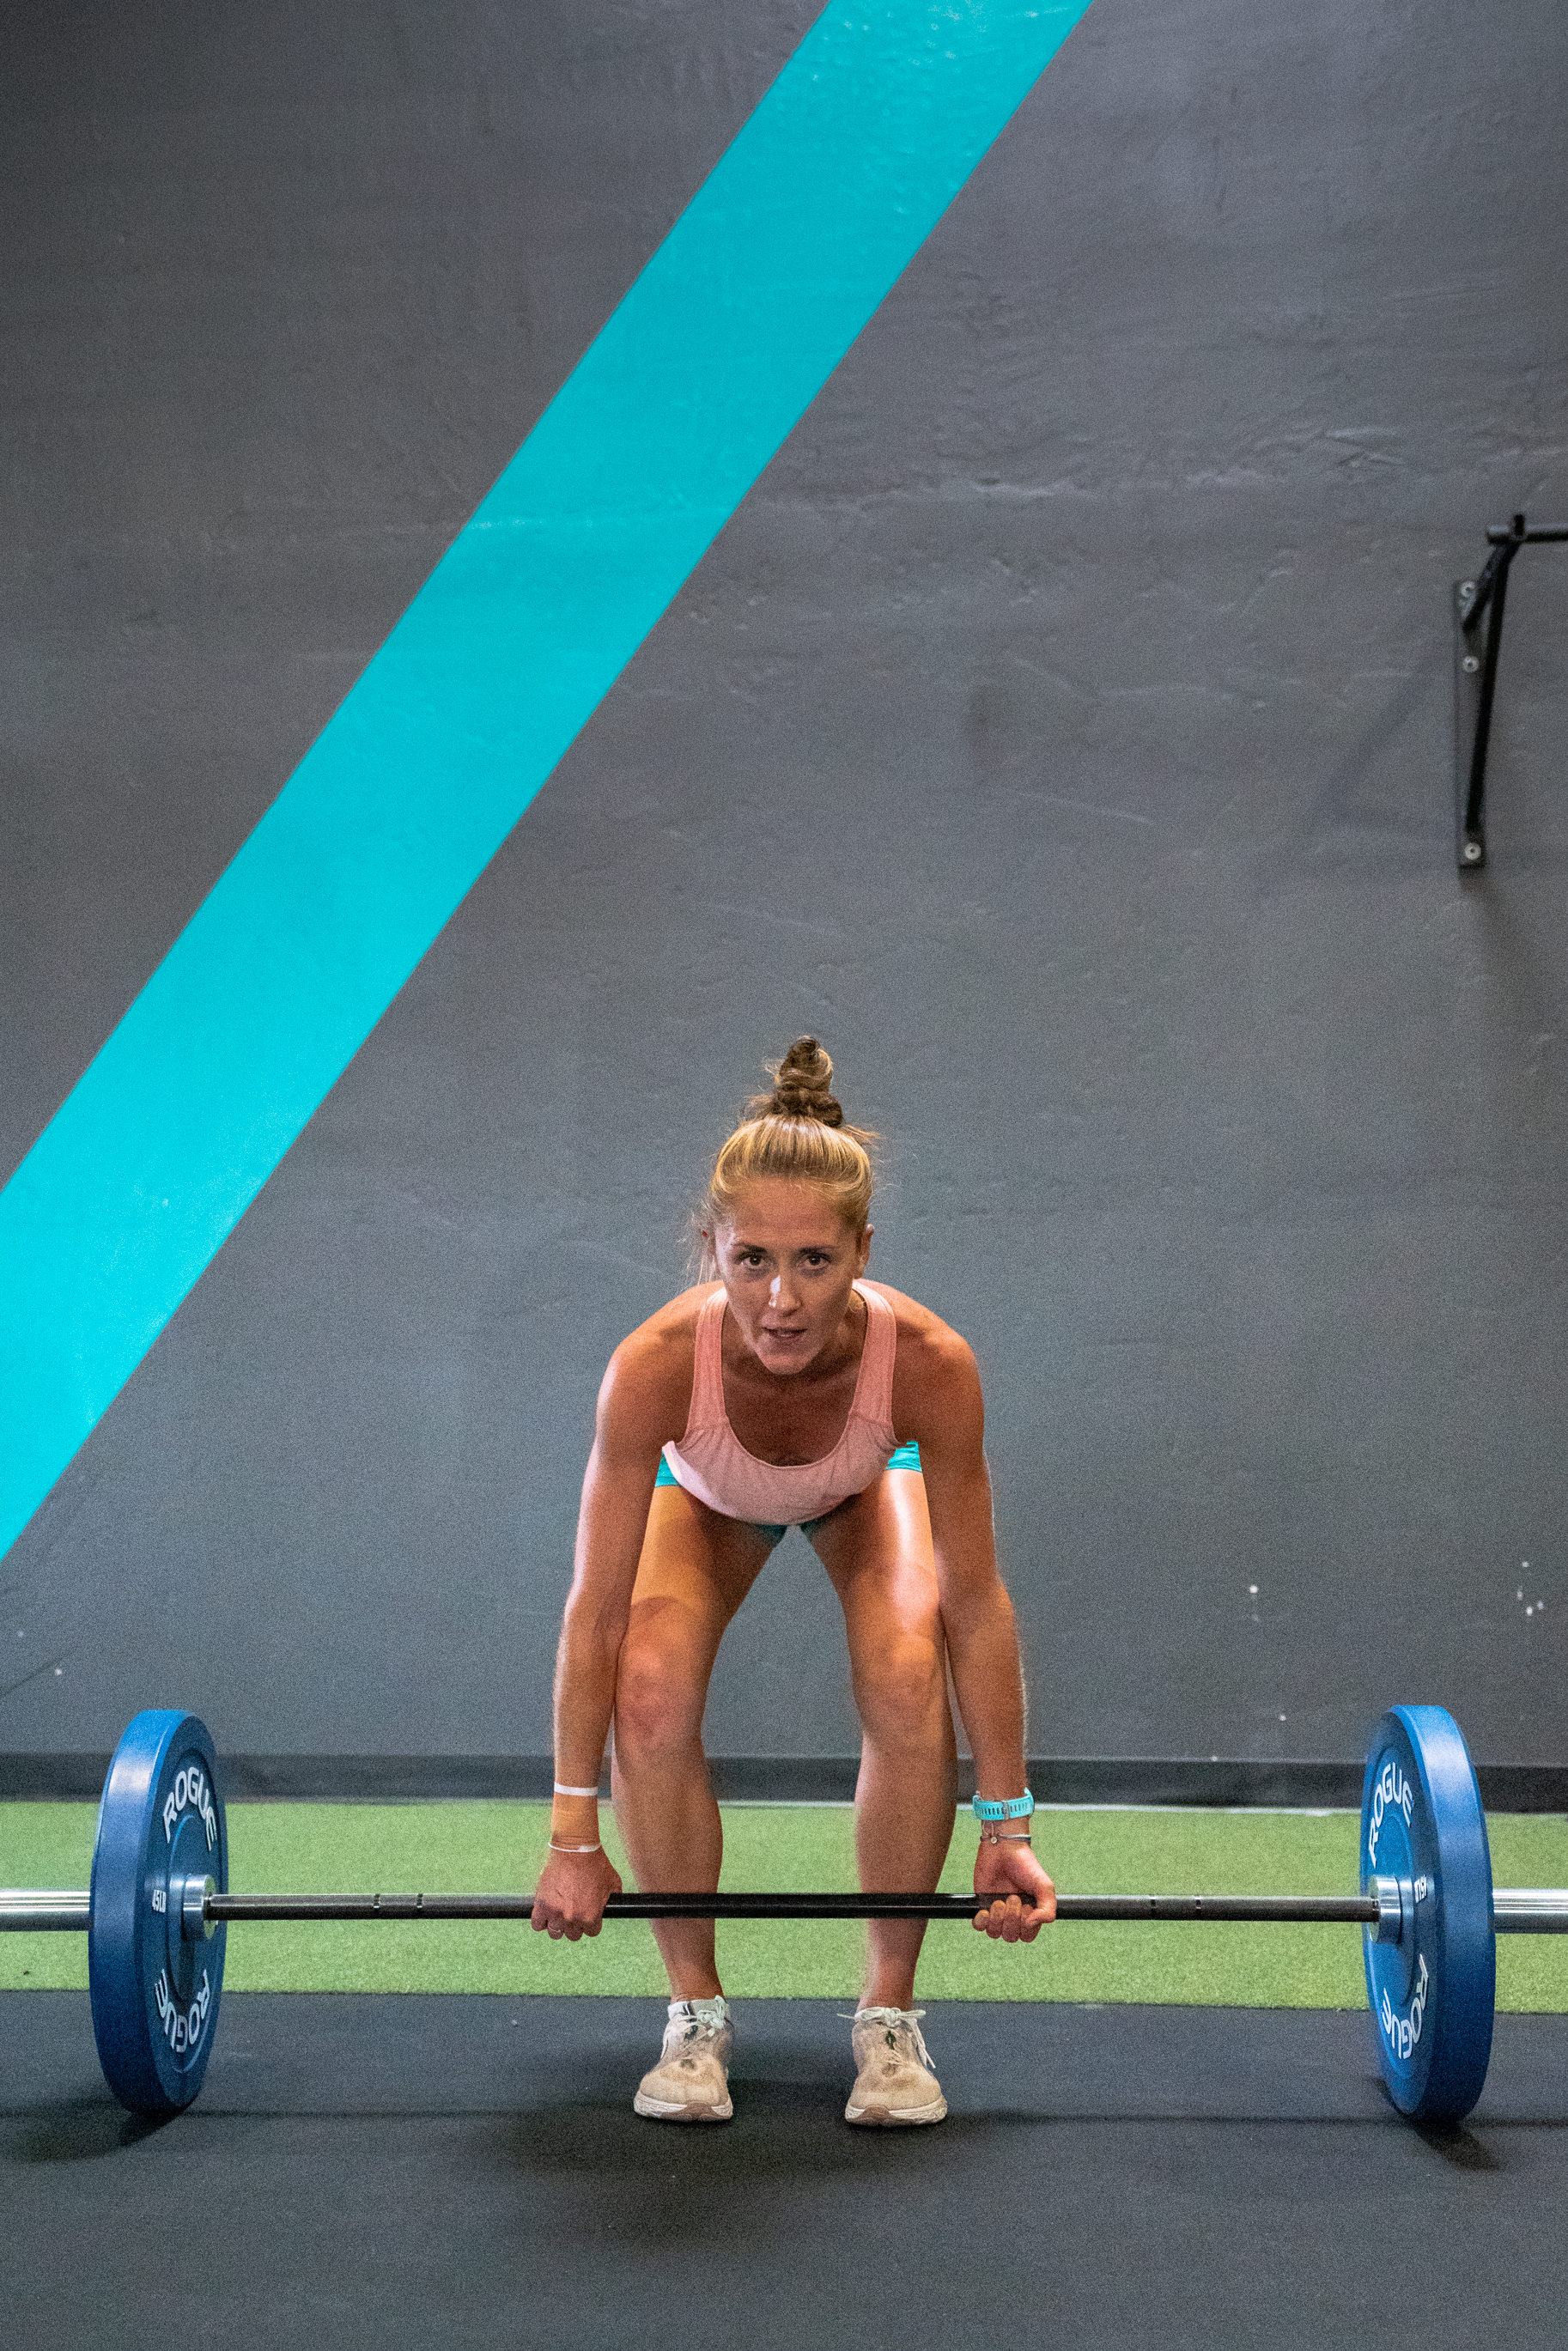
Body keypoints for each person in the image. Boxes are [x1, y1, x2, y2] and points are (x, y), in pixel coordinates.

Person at [532, 1039, 1054, 2125]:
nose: (780, 1297)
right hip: (710, 1496)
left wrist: (1006, 1825)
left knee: (908, 1670)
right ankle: (693, 2015)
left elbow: (976, 1600)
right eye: (752, 1259)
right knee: (650, 1680)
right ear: (709, 1251)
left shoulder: (929, 1364)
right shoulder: (653, 1365)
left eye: (814, 1259)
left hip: (864, 1486)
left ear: (863, 1248)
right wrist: (572, 1838)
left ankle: (888, 2019)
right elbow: (591, 1608)